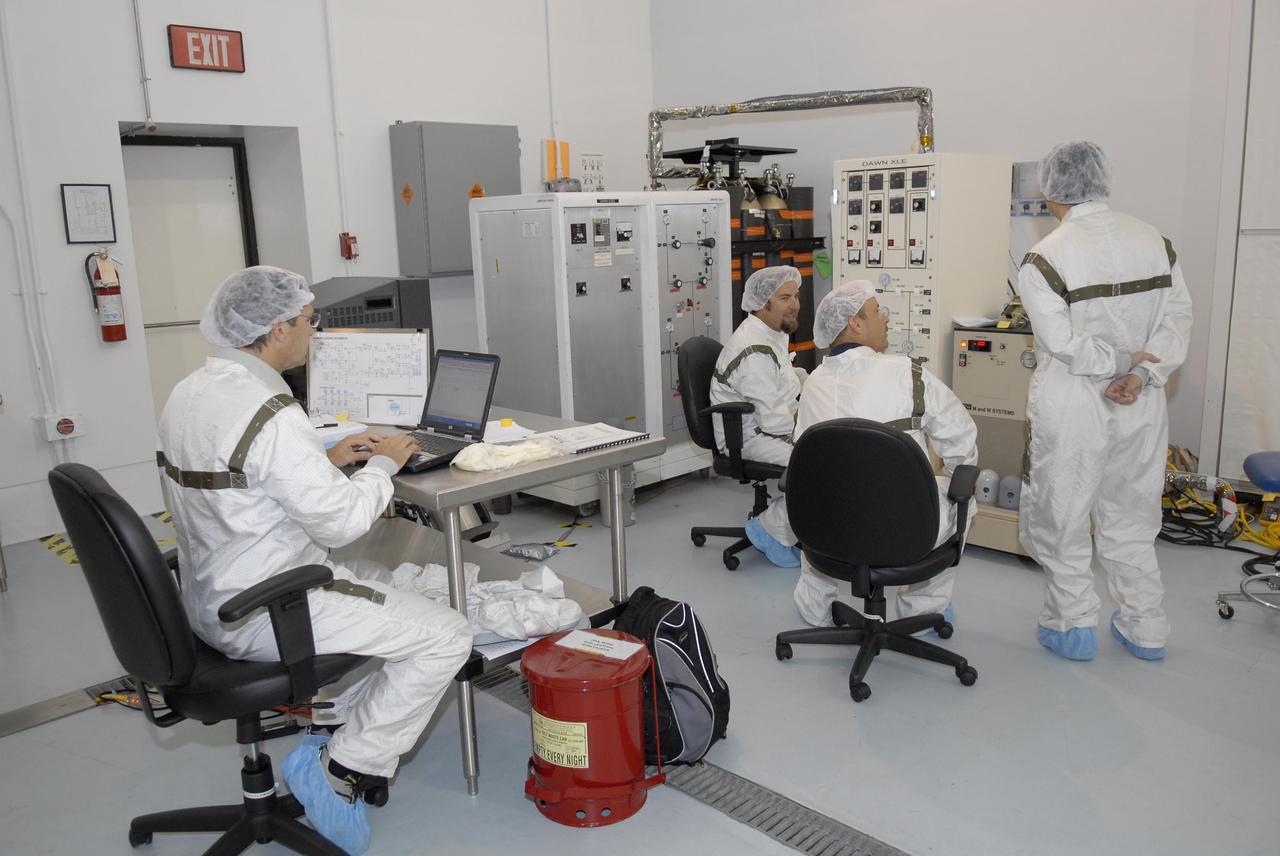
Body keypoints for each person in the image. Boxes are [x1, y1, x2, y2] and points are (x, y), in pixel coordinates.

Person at [157, 266, 473, 854]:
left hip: (207, 600)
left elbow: (237, 484)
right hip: (271, 607)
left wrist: (322, 457)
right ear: (277, 330)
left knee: (391, 588)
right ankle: (343, 769)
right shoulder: (272, 413)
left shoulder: (193, 391)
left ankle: (333, 726)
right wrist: (386, 465)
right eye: (309, 321)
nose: (314, 332)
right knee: (447, 635)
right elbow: (344, 523)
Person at [1018, 141, 1193, 662]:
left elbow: (1061, 342)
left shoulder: (1044, 258)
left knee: (1064, 511)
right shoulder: (1156, 242)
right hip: (1140, 400)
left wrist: (1116, 362)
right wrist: (1141, 371)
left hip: (1074, 400)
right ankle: (1147, 626)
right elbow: (1177, 319)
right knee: (1132, 514)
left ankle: (1072, 626)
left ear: (1051, 189)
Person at [791, 280, 978, 628]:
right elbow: (962, 441)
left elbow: (801, 466)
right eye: (878, 311)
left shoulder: (812, 384)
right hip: (904, 528)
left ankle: (814, 608)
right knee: (963, 492)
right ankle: (921, 612)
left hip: (826, 528)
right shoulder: (908, 374)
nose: (887, 318)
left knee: (820, 492)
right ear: (855, 323)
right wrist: (950, 480)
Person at [709, 265, 808, 566]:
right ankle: (769, 531)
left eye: (796, 296)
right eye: (785, 298)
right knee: (819, 461)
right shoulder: (754, 351)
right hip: (749, 436)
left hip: (767, 425)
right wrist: (812, 429)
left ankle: (790, 522)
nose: (795, 304)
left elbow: (786, 379)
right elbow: (773, 421)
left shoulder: (771, 331)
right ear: (762, 303)